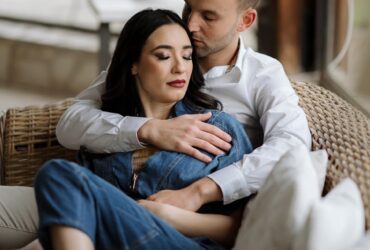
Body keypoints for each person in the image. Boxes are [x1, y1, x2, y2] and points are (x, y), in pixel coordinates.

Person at [0, 0, 311, 248]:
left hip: (181, 223)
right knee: (60, 192)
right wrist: (149, 130)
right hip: (105, 200)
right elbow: (71, 122)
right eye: (189, 7)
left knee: (61, 179)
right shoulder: (147, 54)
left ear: (245, 21)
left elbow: (291, 146)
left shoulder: (243, 101)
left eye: (209, 16)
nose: (190, 24)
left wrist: (200, 192)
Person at [34, 8, 252, 250]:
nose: (180, 68)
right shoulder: (105, 129)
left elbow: (245, 228)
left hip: (185, 245)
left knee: (58, 173)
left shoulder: (217, 128)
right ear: (133, 64)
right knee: (58, 176)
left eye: (188, 56)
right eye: (163, 56)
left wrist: (171, 217)